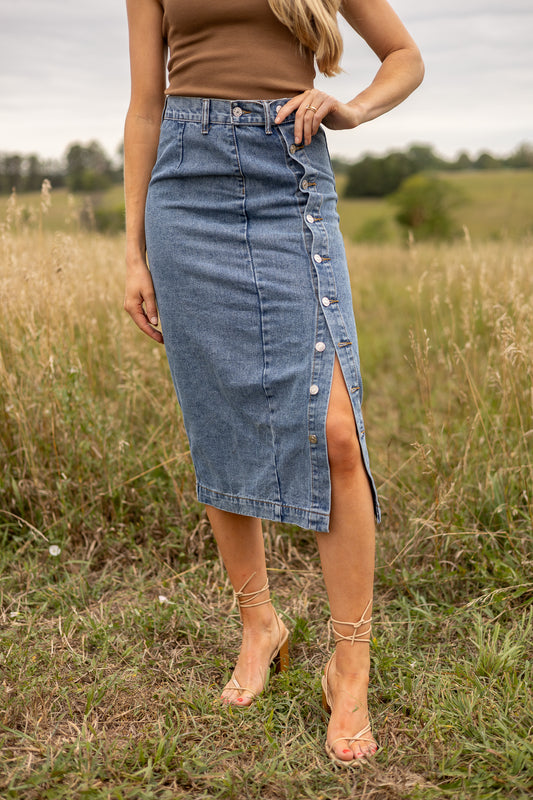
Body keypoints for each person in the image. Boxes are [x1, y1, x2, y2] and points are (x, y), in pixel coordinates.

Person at [124, 0, 423, 766]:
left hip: (285, 168)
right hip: (183, 189)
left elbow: (404, 56)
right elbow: (146, 103)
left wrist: (349, 108)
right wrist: (134, 252)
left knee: (334, 433)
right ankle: (260, 624)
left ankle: (348, 664)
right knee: (218, 409)